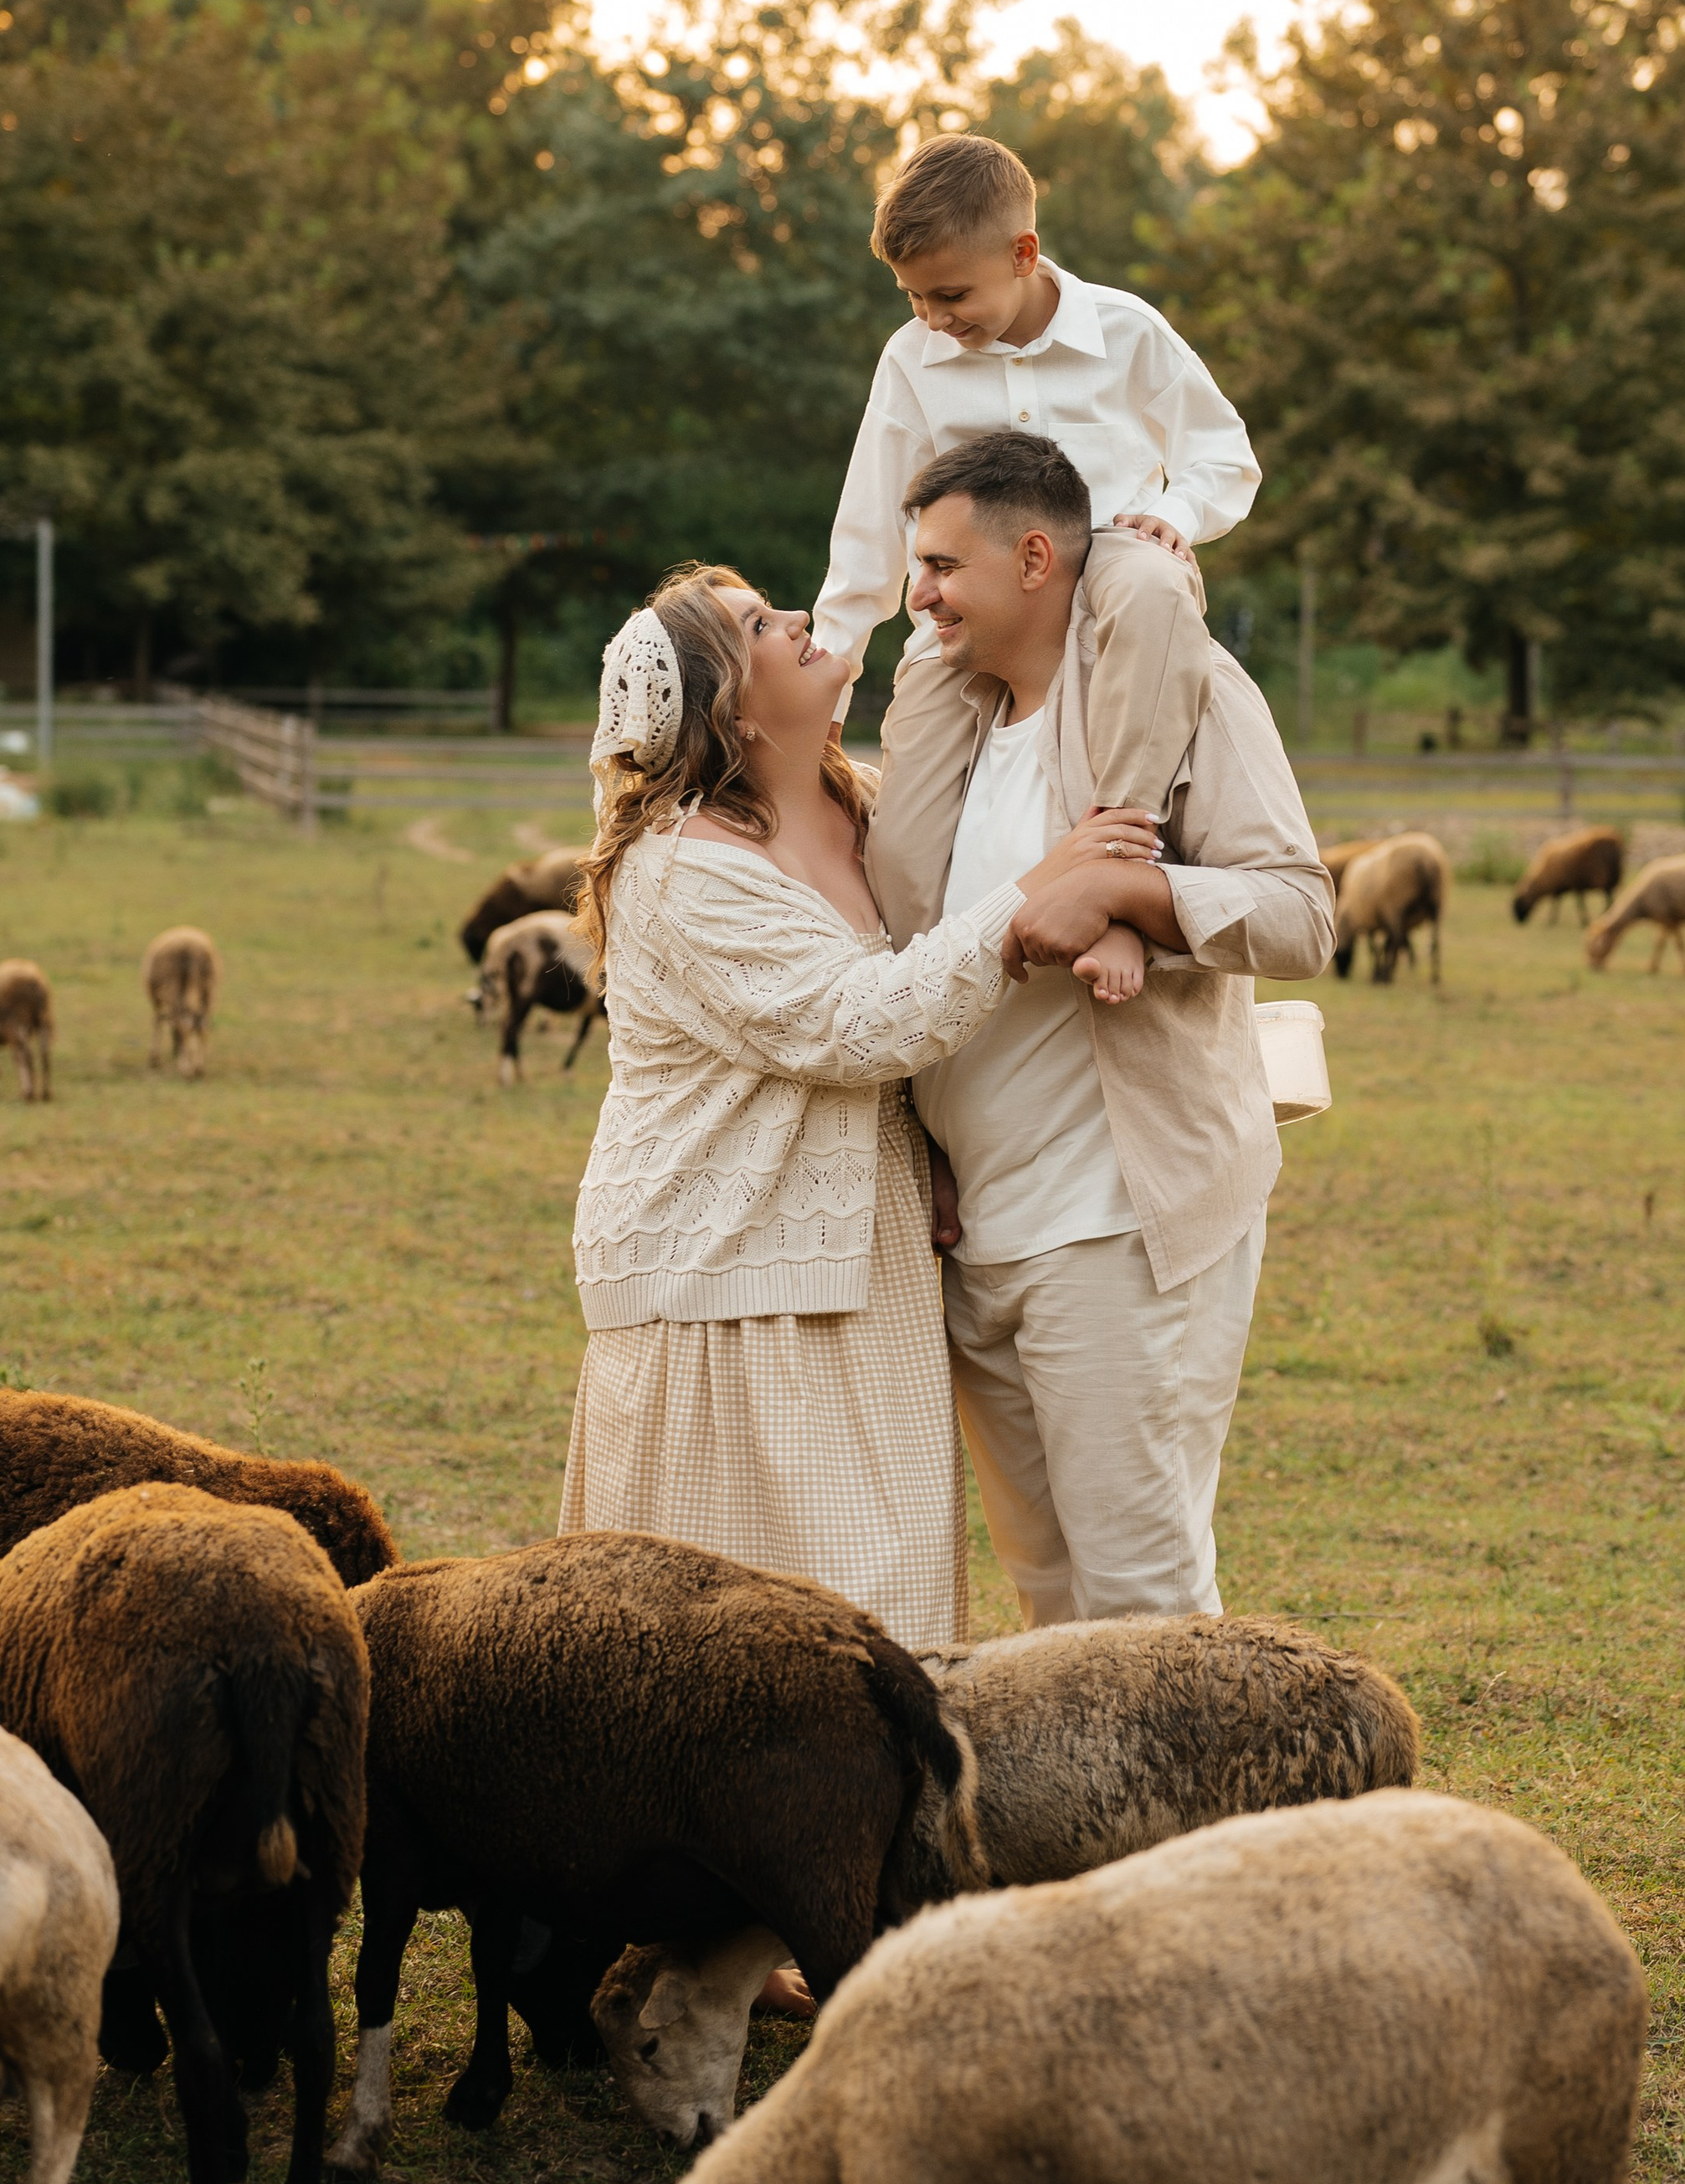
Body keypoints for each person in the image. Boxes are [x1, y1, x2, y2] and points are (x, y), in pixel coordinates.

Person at [558, 561, 1157, 1649]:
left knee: (884, 1598)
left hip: (863, 1256)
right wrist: (1046, 887)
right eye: (760, 624)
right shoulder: (679, 870)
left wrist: (930, 1140)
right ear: (729, 705)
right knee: (739, 1634)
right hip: (722, 1274)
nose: (799, 618)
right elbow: (854, 1023)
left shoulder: (868, 805)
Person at [866, 431, 1334, 1630]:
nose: (919, 595)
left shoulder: (1187, 690)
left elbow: (1299, 912)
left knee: (1142, 1600)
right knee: (1048, 1598)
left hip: (1118, 1223)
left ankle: (1209, 1768)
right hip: (976, 1234)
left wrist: (1134, 892)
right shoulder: (951, 730)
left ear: (1035, 558)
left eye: (943, 566)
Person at [814, 130, 1260, 1007]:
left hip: (1107, 565)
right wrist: (831, 680)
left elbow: (1224, 455)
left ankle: (1120, 857)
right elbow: (869, 523)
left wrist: (1173, 516)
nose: (932, 318)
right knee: (901, 843)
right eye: (913, 297)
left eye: (951, 294)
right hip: (972, 599)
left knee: (1152, 579)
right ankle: (912, 1018)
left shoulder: (1126, 331)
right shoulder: (911, 359)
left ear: (1023, 254)